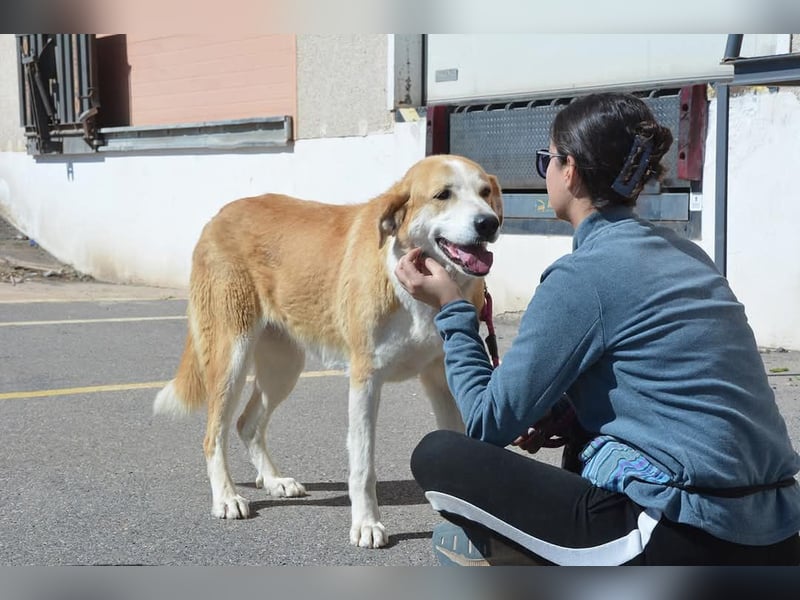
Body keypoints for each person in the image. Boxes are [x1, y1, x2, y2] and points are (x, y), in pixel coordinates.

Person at [394, 92, 800, 566]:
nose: (545, 171)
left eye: (547, 158)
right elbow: (665, 376)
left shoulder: (581, 276)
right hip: (776, 531)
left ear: (570, 172)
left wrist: (452, 307)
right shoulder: (690, 255)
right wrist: (563, 411)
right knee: (583, 437)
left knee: (440, 456)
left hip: (685, 532)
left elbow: (485, 424)